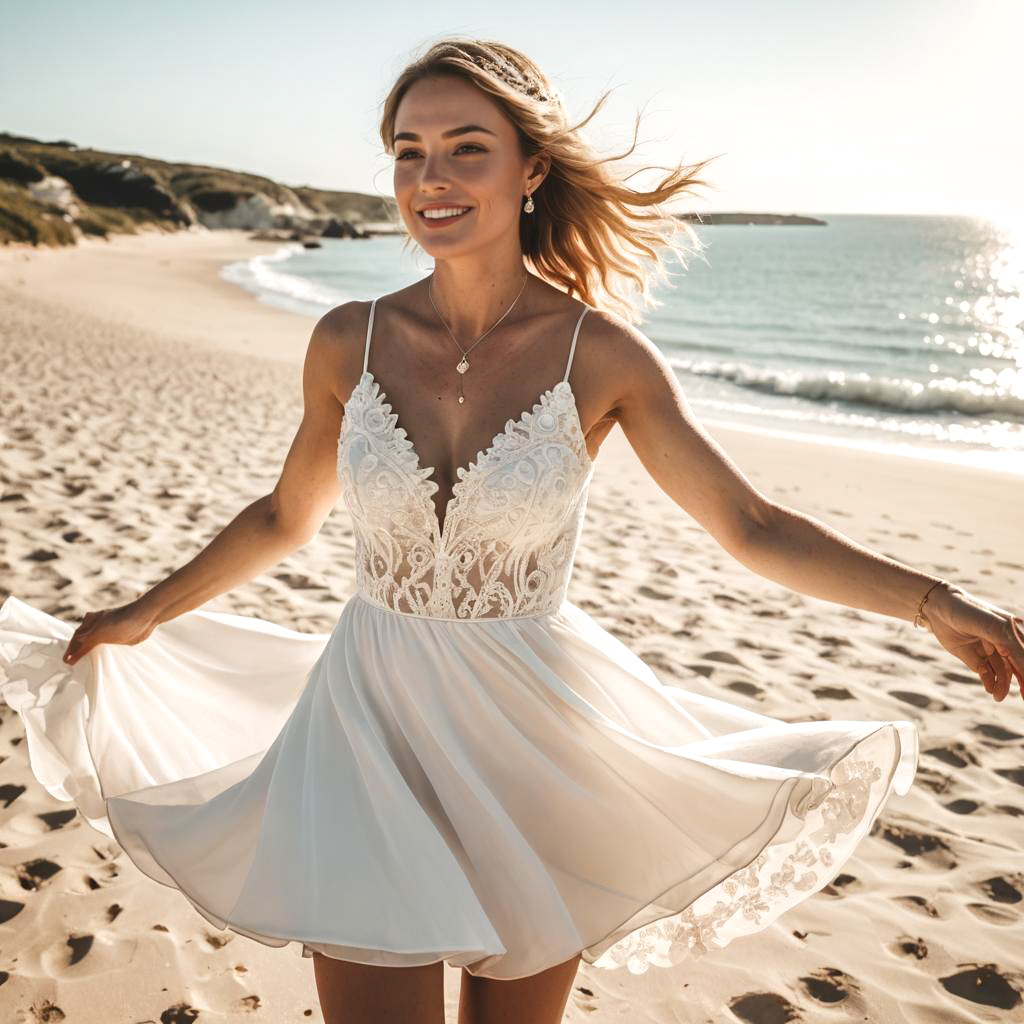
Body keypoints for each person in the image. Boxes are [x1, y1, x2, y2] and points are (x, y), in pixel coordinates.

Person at [3, 36, 1023, 1024]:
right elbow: (283, 515)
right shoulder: (346, 337)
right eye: (409, 151)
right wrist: (142, 612)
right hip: (366, 725)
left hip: (534, 734)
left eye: (465, 148)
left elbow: (749, 526)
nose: (429, 177)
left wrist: (933, 603)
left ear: (531, 168)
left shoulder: (601, 355)